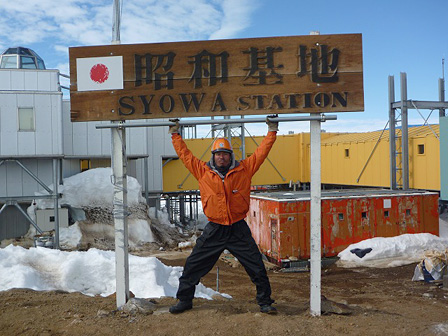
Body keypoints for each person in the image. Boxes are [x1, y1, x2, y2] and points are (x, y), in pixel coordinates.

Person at [168, 116, 279, 315]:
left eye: (225, 154)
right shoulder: (202, 171)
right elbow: (184, 155)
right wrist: (175, 134)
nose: (221, 157)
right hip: (215, 229)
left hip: (238, 229)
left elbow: (263, 152)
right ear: (213, 156)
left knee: (256, 267)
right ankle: (184, 300)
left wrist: (272, 131)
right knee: (193, 266)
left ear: (230, 156)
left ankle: (265, 302)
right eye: (218, 154)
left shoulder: (244, 169)